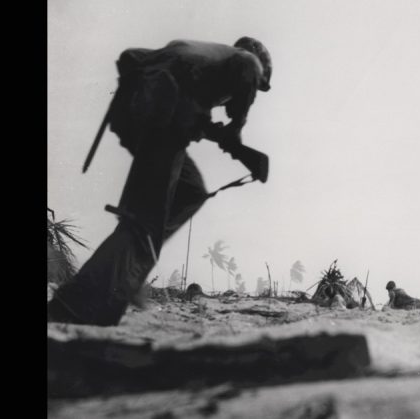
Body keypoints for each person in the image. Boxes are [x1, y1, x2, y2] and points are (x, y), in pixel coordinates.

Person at [47, 37, 273, 326]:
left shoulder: (199, 66)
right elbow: (245, 69)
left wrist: (238, 151)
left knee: (190, 191)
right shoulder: (244, 60)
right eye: (257, 87)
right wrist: (238, 130)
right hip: (159, 114)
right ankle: (74, 306)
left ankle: (132, 263)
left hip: (142, 112)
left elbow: (195, 119)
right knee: (145, 221)